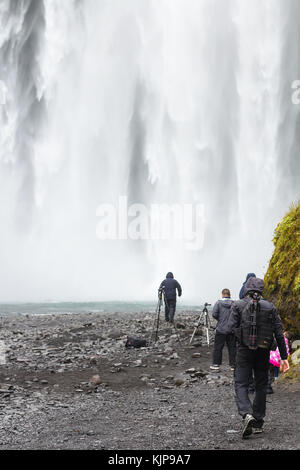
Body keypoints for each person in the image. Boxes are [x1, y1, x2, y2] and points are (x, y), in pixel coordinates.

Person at [226, 277, 289, 438]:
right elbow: (279, 333)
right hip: (263, 351)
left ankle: (246, 414)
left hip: (244, 351)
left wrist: (236, 348)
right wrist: (284, 356)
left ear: (247, 288)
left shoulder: (238, 305)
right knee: (261, 384)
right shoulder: (270, 307)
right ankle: (258, 421)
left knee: (241, 383)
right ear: (261, 290)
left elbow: (229, 329)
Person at [210, 288, 236, 372]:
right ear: (229, 295)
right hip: (231, 329)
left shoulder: (218, 303)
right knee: (232, 348)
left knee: (218, 347)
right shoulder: (234, 304)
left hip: (221, 329)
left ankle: (216, 364)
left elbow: (214, 314)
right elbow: (237, 315)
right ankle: (233, 365)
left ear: (222, 294)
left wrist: (220, 319)